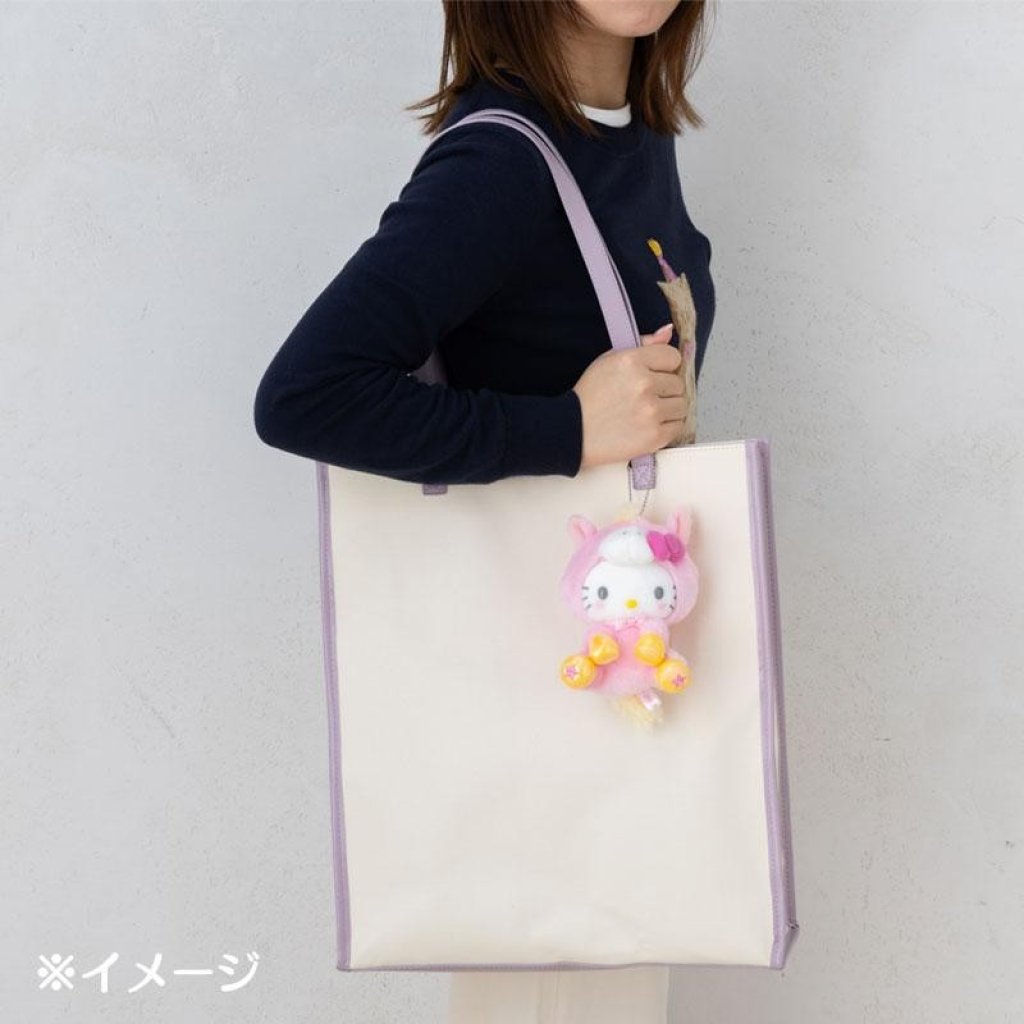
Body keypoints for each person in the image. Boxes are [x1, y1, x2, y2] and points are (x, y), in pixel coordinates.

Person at [254, 1, 716, 1020]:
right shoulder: (503, 160)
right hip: (542, 715)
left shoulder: (628, 132)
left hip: (620, 687)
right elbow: (304, 396)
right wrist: (567, 429)